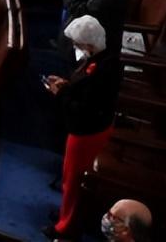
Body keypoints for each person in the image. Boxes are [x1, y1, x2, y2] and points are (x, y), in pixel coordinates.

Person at [42, 15, 122, 242]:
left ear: (89, 45)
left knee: (74, 181)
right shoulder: (102, 58)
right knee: (70, 179)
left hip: (88, 132)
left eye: (78, 45)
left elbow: (85, 108)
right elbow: (83, 88)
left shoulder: (104, 70)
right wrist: (67, 85)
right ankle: (66, 216)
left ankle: (66, 228)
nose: (76, 49)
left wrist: (61, 94)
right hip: (86, 129)